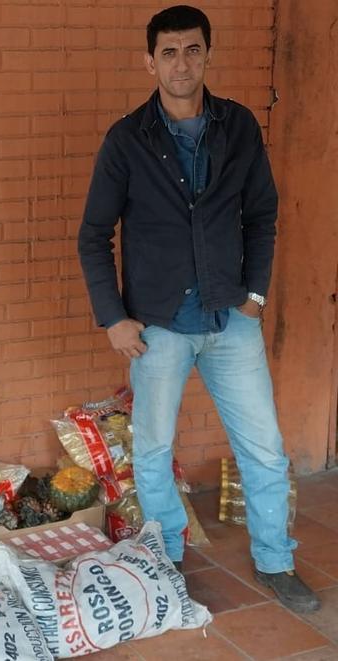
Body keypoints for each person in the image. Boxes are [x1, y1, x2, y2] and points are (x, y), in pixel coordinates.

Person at [77, 5, 320, 613]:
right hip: (157, 327)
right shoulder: (128, 139)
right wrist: (114, 317)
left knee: (264, 447)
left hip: (229, 320)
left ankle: (277, 562)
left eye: (192, 50)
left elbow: (262, 213)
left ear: (208, 55)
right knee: (154, 450)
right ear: (149, 61)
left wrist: (255, 296)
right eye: (169, 52)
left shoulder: (237, 127)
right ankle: (169, 562)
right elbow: (92, 234)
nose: (181, 63)